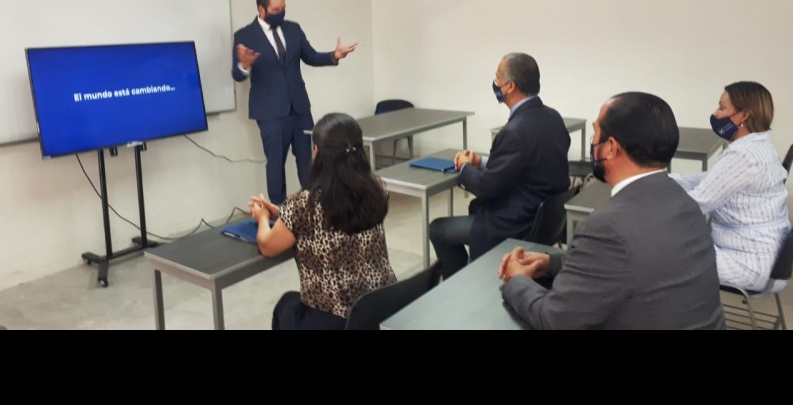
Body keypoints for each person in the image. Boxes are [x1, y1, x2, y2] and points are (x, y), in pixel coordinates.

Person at [499, 92, 726, 330]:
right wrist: (552, 263)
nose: (593, 142)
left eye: (596, 133)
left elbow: (555, 320)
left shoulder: (606, 227)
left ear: (610, 148)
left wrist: (516, 279)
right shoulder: (682, 201)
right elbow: (633, 260)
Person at [248, 112, 397, 330]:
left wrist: (262, 218)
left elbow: (267, 246)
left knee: (285, 306)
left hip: (335, 320)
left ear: (317, 152)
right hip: (379, 308)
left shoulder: (305, 204)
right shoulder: (377, 188)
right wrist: (282, 213)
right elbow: (334, 218)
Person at [429, 53, 570, 279]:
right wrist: (481, 161)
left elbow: (486, 187)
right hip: (545, 220)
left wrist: (464, 167)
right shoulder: (553, 118)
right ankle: (473, 273)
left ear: (510, 86)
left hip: (515, 224)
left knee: (438, 229)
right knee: (474, 209)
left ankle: (460, 285)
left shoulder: (515, 130)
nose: (495, 83)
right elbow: (525, 162)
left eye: (497, 78)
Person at [232, 0, 357, 205]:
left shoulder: (293, 29)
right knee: (275, 163)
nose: (281, 12)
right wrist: (244, 65)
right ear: (261, 9)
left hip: (299, 108)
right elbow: (237, 74)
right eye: (276, 9)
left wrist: (334, 55)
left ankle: (313, 205)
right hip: (270, 112)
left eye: (284, 8)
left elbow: (310, 56)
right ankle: (279, 211)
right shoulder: (245, 35)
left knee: (309, 160)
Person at [670, 81, 791, 292]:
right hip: (767, 255)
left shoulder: (743, 155)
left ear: (743, 115)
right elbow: (713, 179)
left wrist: (653, 197)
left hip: (749, 263)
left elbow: (696, 204)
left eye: (722, 108)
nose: (715, 114)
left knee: (659, 254)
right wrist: (669, 180)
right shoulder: (759, 145)